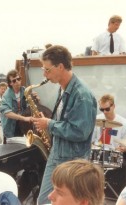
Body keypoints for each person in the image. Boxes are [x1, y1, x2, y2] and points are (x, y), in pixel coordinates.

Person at [31, 45, 97, 204]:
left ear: (60, 67)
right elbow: (64, 122)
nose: (44, 74)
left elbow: (80, 132)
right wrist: (47, 121)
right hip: (57, 154)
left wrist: (50, 124)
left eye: (47, 70)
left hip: (71, 161)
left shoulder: (81, 95)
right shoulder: (63, 88)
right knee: (44, 201)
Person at [0, 69, 32, 139]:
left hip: (22, 124)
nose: (17, 82)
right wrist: (24, 118)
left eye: (18, 79)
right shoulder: (6, 95)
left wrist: (35, 99)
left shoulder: (24, 90)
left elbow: (29, 105)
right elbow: (7, 113)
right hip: (11, 127)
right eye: (14, 80)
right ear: (10, 83)